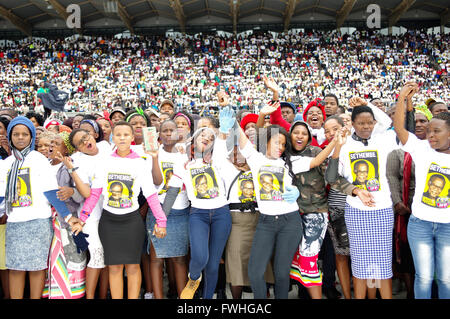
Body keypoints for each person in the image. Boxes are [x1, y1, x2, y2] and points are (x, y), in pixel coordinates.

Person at [220, 106, 337, 299]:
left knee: (282, 273)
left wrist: (335, 142)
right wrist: (232, 118)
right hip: (265, 222)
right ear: (266, 142)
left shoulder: (290, 162)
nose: (280, 147)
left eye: (283, 144)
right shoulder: (255, 159)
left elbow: (316, 161)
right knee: (256, 271)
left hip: (290, 223)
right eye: (276, 142)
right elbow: (241, 138)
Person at [72, 121, 167, 299]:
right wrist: (83, 218)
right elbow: (94, 195)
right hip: (109, 222)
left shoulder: (141, 163)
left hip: (132, 222)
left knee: (132, 266)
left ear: (132, 137)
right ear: (112, 138)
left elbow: (151, 196)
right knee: (114, 267)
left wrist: (161, 221)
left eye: (126, 135)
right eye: (118, 135)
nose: (122, 138)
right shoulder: (104, 162)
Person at [326, 102, 398, 299]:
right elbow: (332, 178)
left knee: (381, 264)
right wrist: (356, 190)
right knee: (360, 264)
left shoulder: (383, 140)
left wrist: (367, 105)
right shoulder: (346, 144)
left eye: (370, 123)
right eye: (361, 123)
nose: (366, 127)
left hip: (382, 210)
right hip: (356, 212)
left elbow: (388, 121)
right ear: (353, 124)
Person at [0, 117, 72, 299]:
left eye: (25, 134)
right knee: (15, 268)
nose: (20, 138)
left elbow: (51, 193)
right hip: (15, 224)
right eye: (16, 134)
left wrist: (68, 217)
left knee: (37, 268)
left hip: (38, 223)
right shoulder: (6, 164)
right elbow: (1, 197)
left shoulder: (38, 160)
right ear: (9, 136)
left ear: (32, 137)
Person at [393, 82, 450, 299]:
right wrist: (402, 98)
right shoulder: (422, 149)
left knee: (446, 278)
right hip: (420, 225)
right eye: (428, 130)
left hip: (448, 227)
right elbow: (400, 129)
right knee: (424, 277)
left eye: (437, 131)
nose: (430, 135)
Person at [147, 119, 189, 299]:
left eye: (172, 130)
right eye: (164, 130)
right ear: (159, 134)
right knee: (156, 259)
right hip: (157, 212)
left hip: (181, 212)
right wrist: (155, 158)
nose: (169, 133)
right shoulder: (151, 154)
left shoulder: (185, 155)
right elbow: (156, 182)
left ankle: (183, 297)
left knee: (179, 259)